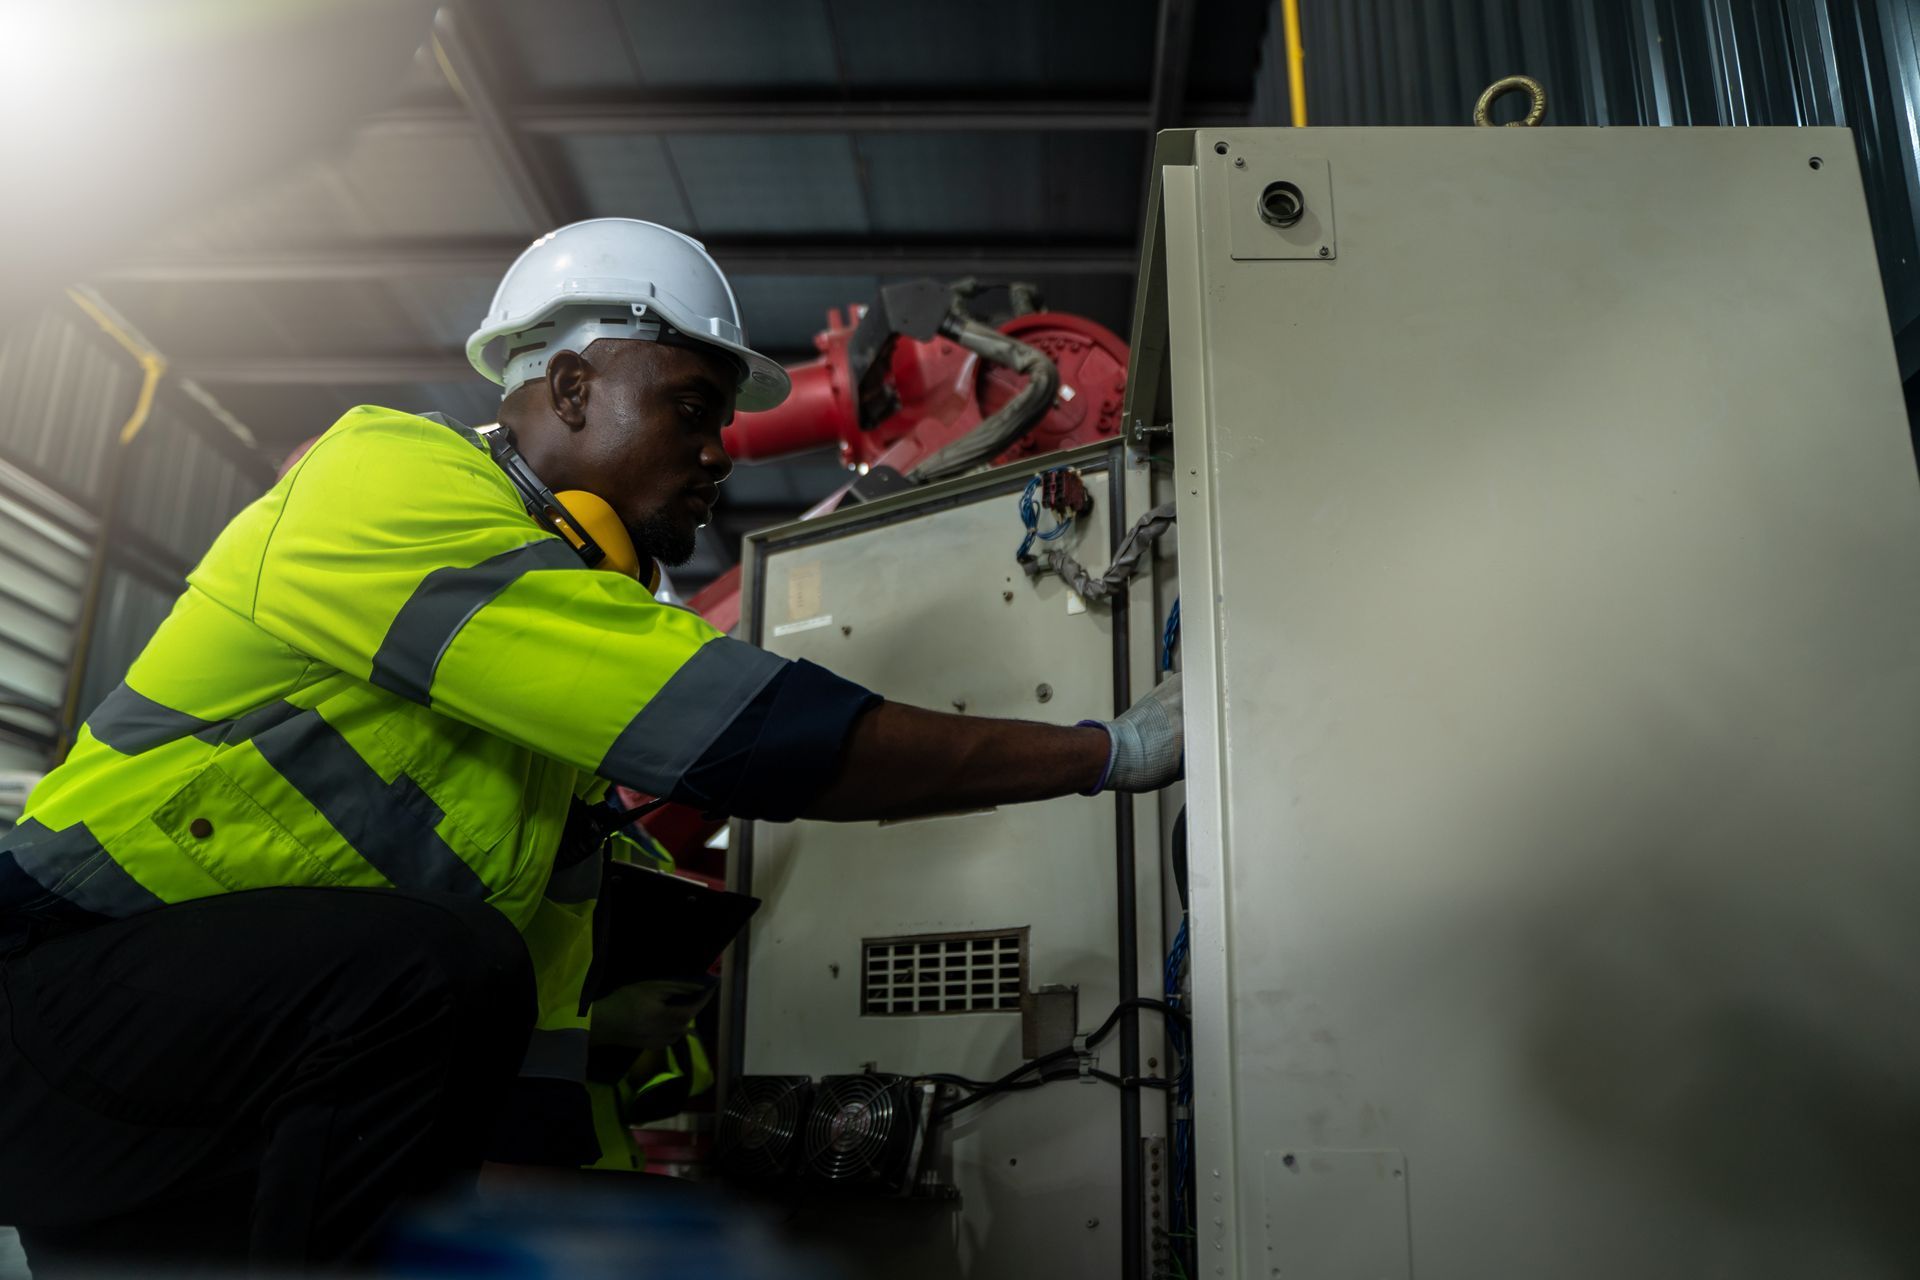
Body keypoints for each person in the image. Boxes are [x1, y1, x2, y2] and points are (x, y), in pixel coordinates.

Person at [0, 219, 1182, 1273]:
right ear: (569, 385)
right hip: (57, 1018)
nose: (724, 452)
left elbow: (533, 1055)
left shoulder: (538, 752)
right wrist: (1110, 750)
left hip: (186, 1112)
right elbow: (757, 736)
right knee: (436, 962)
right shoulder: (388, 481)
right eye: (689, 408)